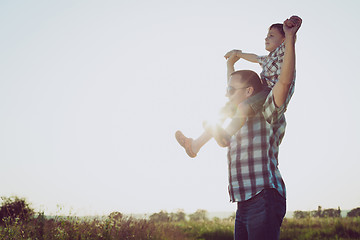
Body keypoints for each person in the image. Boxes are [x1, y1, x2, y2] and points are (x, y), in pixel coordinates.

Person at [222, 16, 302, 240]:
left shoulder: (268, 109)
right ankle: (197, 143)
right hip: (243, 200)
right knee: (230, 109)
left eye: (270, 36)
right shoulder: (243, 106)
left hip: (263, 196)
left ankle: (221, 135)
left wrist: (290, 38)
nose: (266, 38)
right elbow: (237, 87)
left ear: (249, 91)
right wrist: (232, 61)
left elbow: (284, 83)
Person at [175, 20, 291, 157]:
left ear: (283, 39)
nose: (266, 38)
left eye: (271, 35)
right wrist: (237, 54)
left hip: (271, 93)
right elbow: (253, 59)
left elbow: (285, 76)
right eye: (267, 35)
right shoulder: (267, 59)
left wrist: (290, 34)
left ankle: (226, 135)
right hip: (262, 92)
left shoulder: (285, 52)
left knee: (243, 105)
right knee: (230, 105)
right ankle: (195, 145)